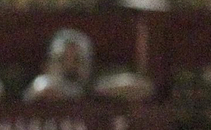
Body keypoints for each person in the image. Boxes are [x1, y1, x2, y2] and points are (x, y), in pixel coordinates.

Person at [23, 28, 154, 102]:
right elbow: (42, 90)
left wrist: (95, 91)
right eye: (64, 59)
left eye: (77, 60)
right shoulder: (42, 84)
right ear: (49, 65)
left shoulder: (95, 88)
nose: (70, 65)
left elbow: (143, 87)